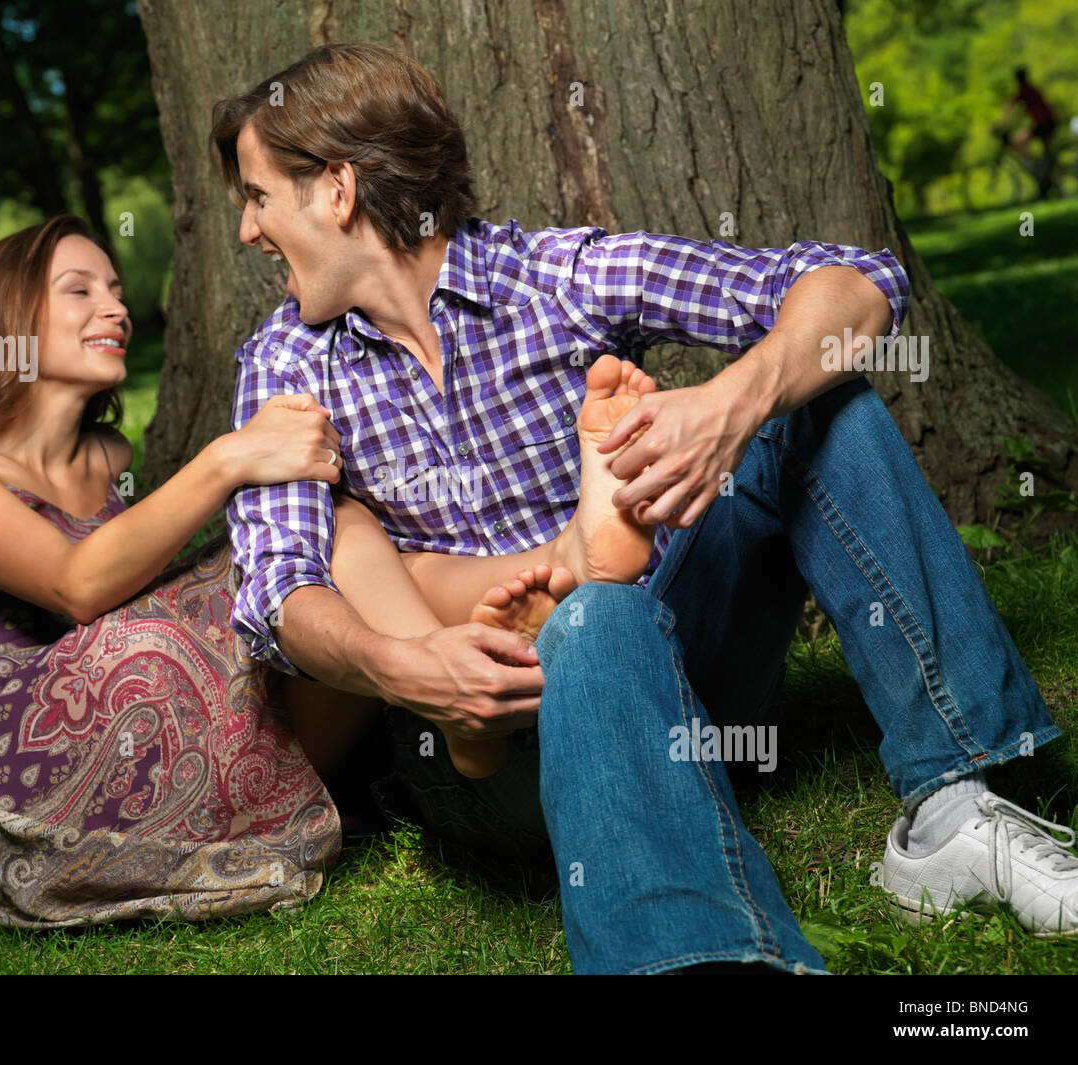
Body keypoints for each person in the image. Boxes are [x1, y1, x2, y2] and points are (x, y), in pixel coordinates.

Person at [213, 43, 1078, 973]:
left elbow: (860, 281)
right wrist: (405, 668)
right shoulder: (289, 362)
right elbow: (277, 591)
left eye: (259, 197)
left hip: (666, 674)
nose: (247, 234)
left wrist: (730, 404)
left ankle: (959, 798)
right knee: (593, 617)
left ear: (335, 189)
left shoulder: (555, 276)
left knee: (811, 406)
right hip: (487, 748)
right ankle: (697, 952)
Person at [0, 215, 352, 928]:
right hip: (17, 767)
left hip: (139, 723)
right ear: (10, 319)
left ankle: (346, 755)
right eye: (81, 291)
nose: (117, 308)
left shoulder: (112, 457)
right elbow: (77, 586)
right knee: (155, 638)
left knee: (292, 550)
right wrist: (230, 459)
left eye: (117, 290)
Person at [999, 66, 1060, 195]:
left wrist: (1003, 125)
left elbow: (1011, 108)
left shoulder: (1024, 91)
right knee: (1047, 157)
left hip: (1045, 124)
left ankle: (1037, 167)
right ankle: (1047, 182)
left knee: (1017, 142)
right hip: (1047, 122)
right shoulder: (1030, 89)